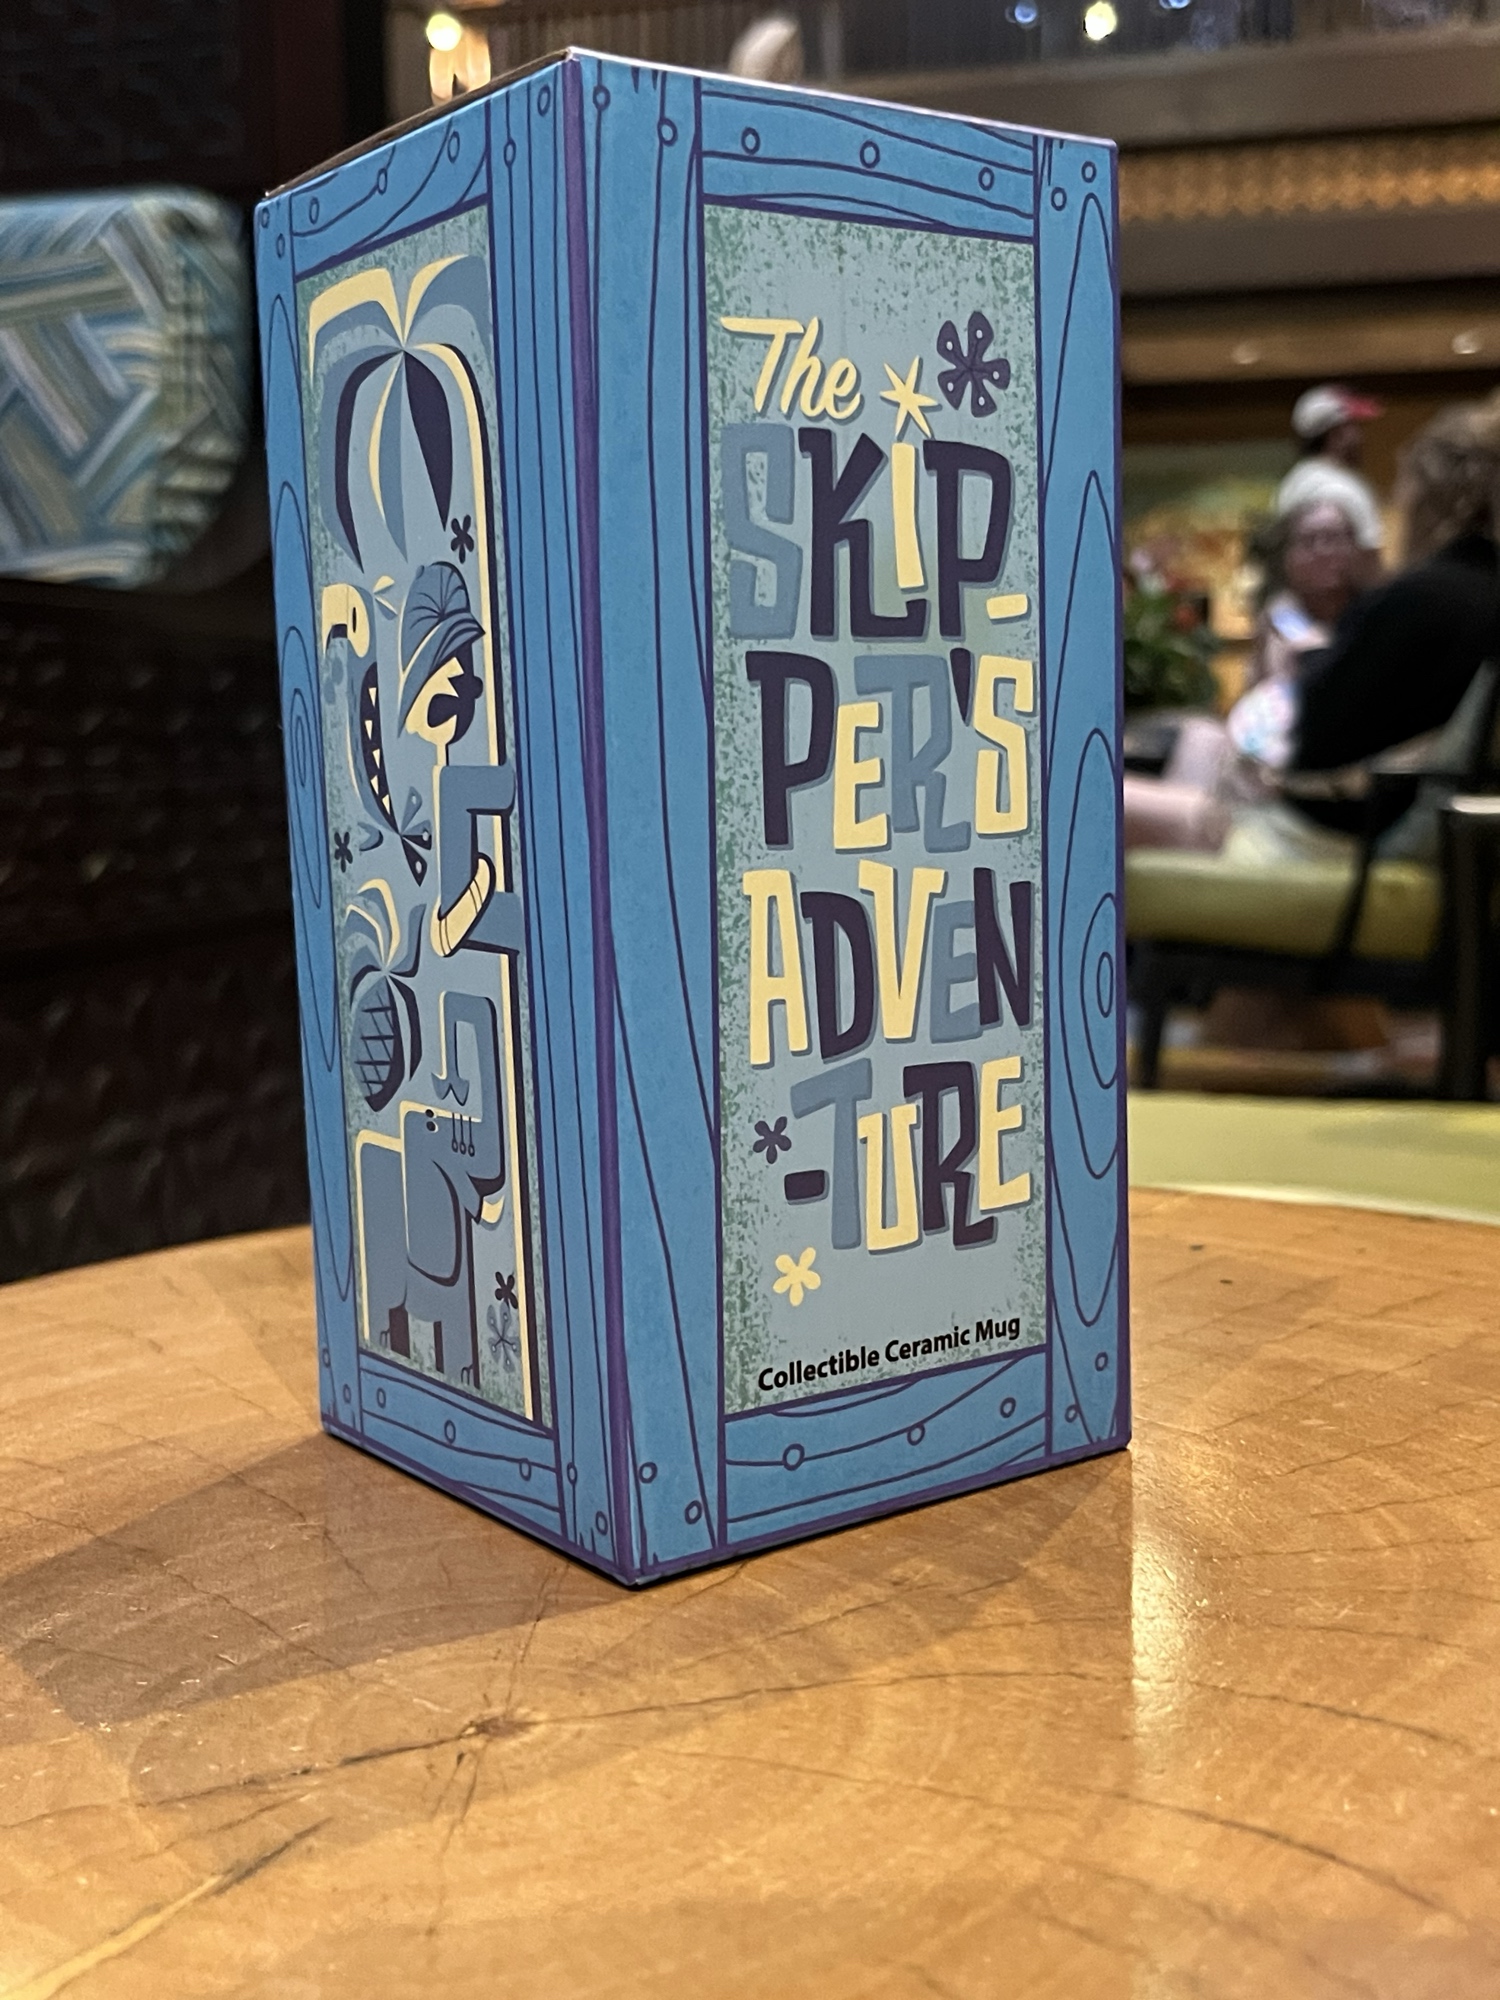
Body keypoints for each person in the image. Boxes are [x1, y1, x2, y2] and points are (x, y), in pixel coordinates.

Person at [1122, 498, 1364, 852]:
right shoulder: (1277, 619)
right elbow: (1258, 708)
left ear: (1357, 549)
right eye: (1310, 541)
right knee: (1202, 737)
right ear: (1288, 557)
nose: (1323, 552)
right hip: (1259, 769)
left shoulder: (1375, 622)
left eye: (1336, 539)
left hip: (1315, 795)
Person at [1277, 383, 1386, 579]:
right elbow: (1368, 560)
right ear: (1336, 433)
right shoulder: (1346, 487)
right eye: (1354, 426)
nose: (1361, 437)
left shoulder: (1293, 483)